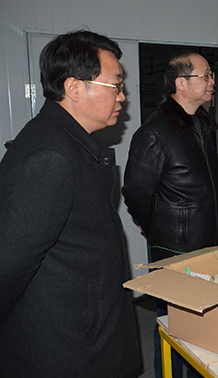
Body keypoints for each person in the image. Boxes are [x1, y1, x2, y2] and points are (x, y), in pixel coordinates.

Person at [0, 30, 141, 377]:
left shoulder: (68, 142)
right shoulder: (50, 157)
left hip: (82, 327)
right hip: (67, 343)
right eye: (115, 85)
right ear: (74, 88)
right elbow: (9, 266)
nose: (122, 96)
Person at [122, 52, 218, 378]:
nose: (212, 82)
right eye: (205, 75)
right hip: (176, 251)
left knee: (202, 326)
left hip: (209, 245)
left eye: (211, 75)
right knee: (171, 326)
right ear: (181, 83)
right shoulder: (154, 132)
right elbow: (136, 193)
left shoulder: (201, 126)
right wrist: (159, 231)